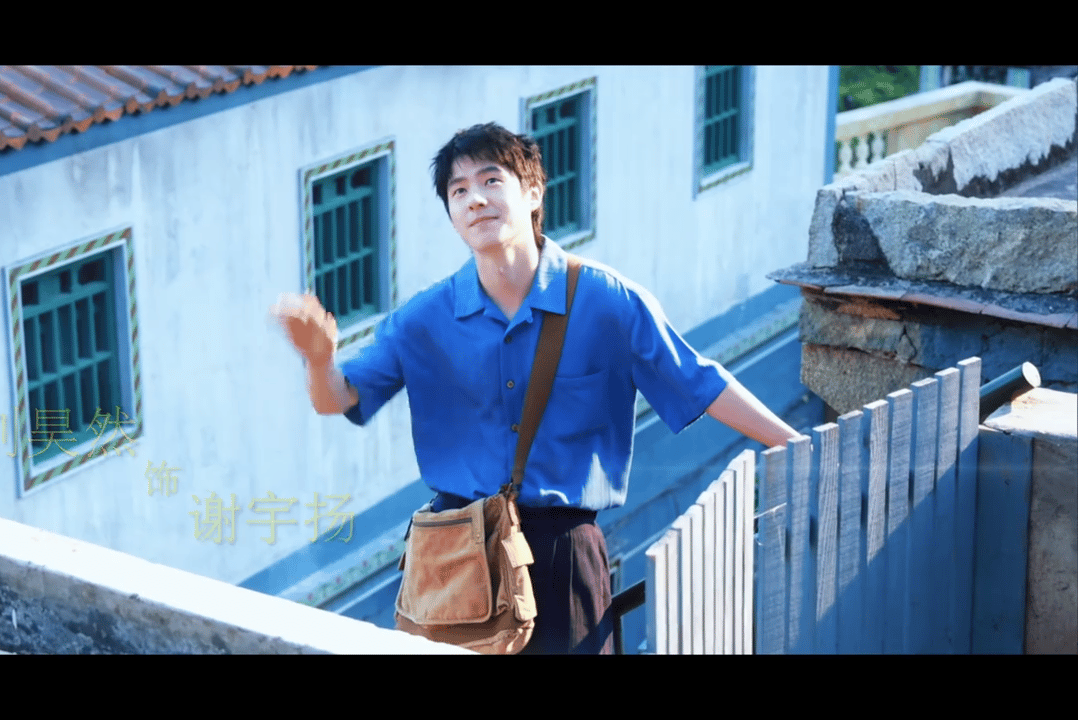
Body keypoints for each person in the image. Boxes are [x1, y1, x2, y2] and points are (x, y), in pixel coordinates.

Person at [271, 122, 802, 654]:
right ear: (452, 215)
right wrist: (319, 360)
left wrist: (799, 446)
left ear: (533, 193)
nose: (475, 199)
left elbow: (700, 381)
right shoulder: (424, 318)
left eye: (490, 180)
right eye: (459, 191)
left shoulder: (607, 300)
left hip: (563, 556)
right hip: (456, 554)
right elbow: (339, 398)